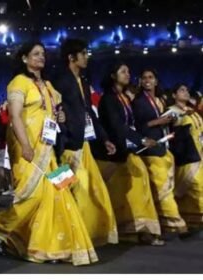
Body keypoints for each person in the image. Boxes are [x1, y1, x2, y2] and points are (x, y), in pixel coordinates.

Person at [0, 42, 98, 266]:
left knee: (60, 194)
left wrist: (61, 116)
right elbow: (16, 116)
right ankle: (0, 226)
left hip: (51, 147)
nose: (41, 58)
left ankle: (52, 247)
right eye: (35, 54)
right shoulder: (18, 83)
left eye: (43, 54)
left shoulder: (48, 85)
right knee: (33, 195)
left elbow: (56, 109)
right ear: (24, 58)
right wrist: (26, 145)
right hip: (27, 147)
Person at [53, 38, 118, 246]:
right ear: (72, 57)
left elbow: (89, 112)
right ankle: (62, 237)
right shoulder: (60, 80)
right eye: (84, 53)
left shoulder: (84, 81)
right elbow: (54, 109)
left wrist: (104, 138)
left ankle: (79, 236)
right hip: (64, 145)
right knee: (62, 190)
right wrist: (63, 131)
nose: (87, 57)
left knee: (87, 188)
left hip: (83, 144)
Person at [95, 62, 164, 245]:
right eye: (123, 71)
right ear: (113, 75)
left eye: (128, 71)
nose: (127, 74)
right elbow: (117, 126)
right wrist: (141, 139)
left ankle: (140, 230)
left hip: (126, 151)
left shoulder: (123, 98)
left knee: (137, 186)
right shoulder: (109, 99)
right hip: (112, 153)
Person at [132, 69, 187, 234]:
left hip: (164, 146)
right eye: (144, 78)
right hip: (150, 147)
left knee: (165, 187)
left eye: (151, 77)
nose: (147, 80)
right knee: (163, 189)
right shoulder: (139, 101)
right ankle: (177, 225)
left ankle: (163, 223)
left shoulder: (160, 100)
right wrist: (158, 121)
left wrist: (170, 121)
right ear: (140, 82)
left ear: (156, 81)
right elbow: (139, 127)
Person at [169, 84, 203, 229]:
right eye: (181, 90)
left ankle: (191, 220)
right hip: (187, 157)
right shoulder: (172, 111)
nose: (186, 92)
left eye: (187, 90)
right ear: (174, 95)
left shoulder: (192, 111)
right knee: (197, 188)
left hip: (199, 154)